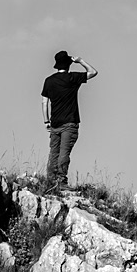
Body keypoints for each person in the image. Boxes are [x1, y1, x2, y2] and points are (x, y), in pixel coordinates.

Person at [41, 50, 98, 190]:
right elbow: (93, 72)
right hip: (69, 122)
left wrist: (46, 121)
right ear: (68, 64)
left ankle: (51, 180)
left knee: (54, 152)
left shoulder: (49, 81)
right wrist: (80, 61)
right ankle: (61, 181)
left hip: (54, 123)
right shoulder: (72, 78)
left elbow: (44, 102)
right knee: (64, 153)